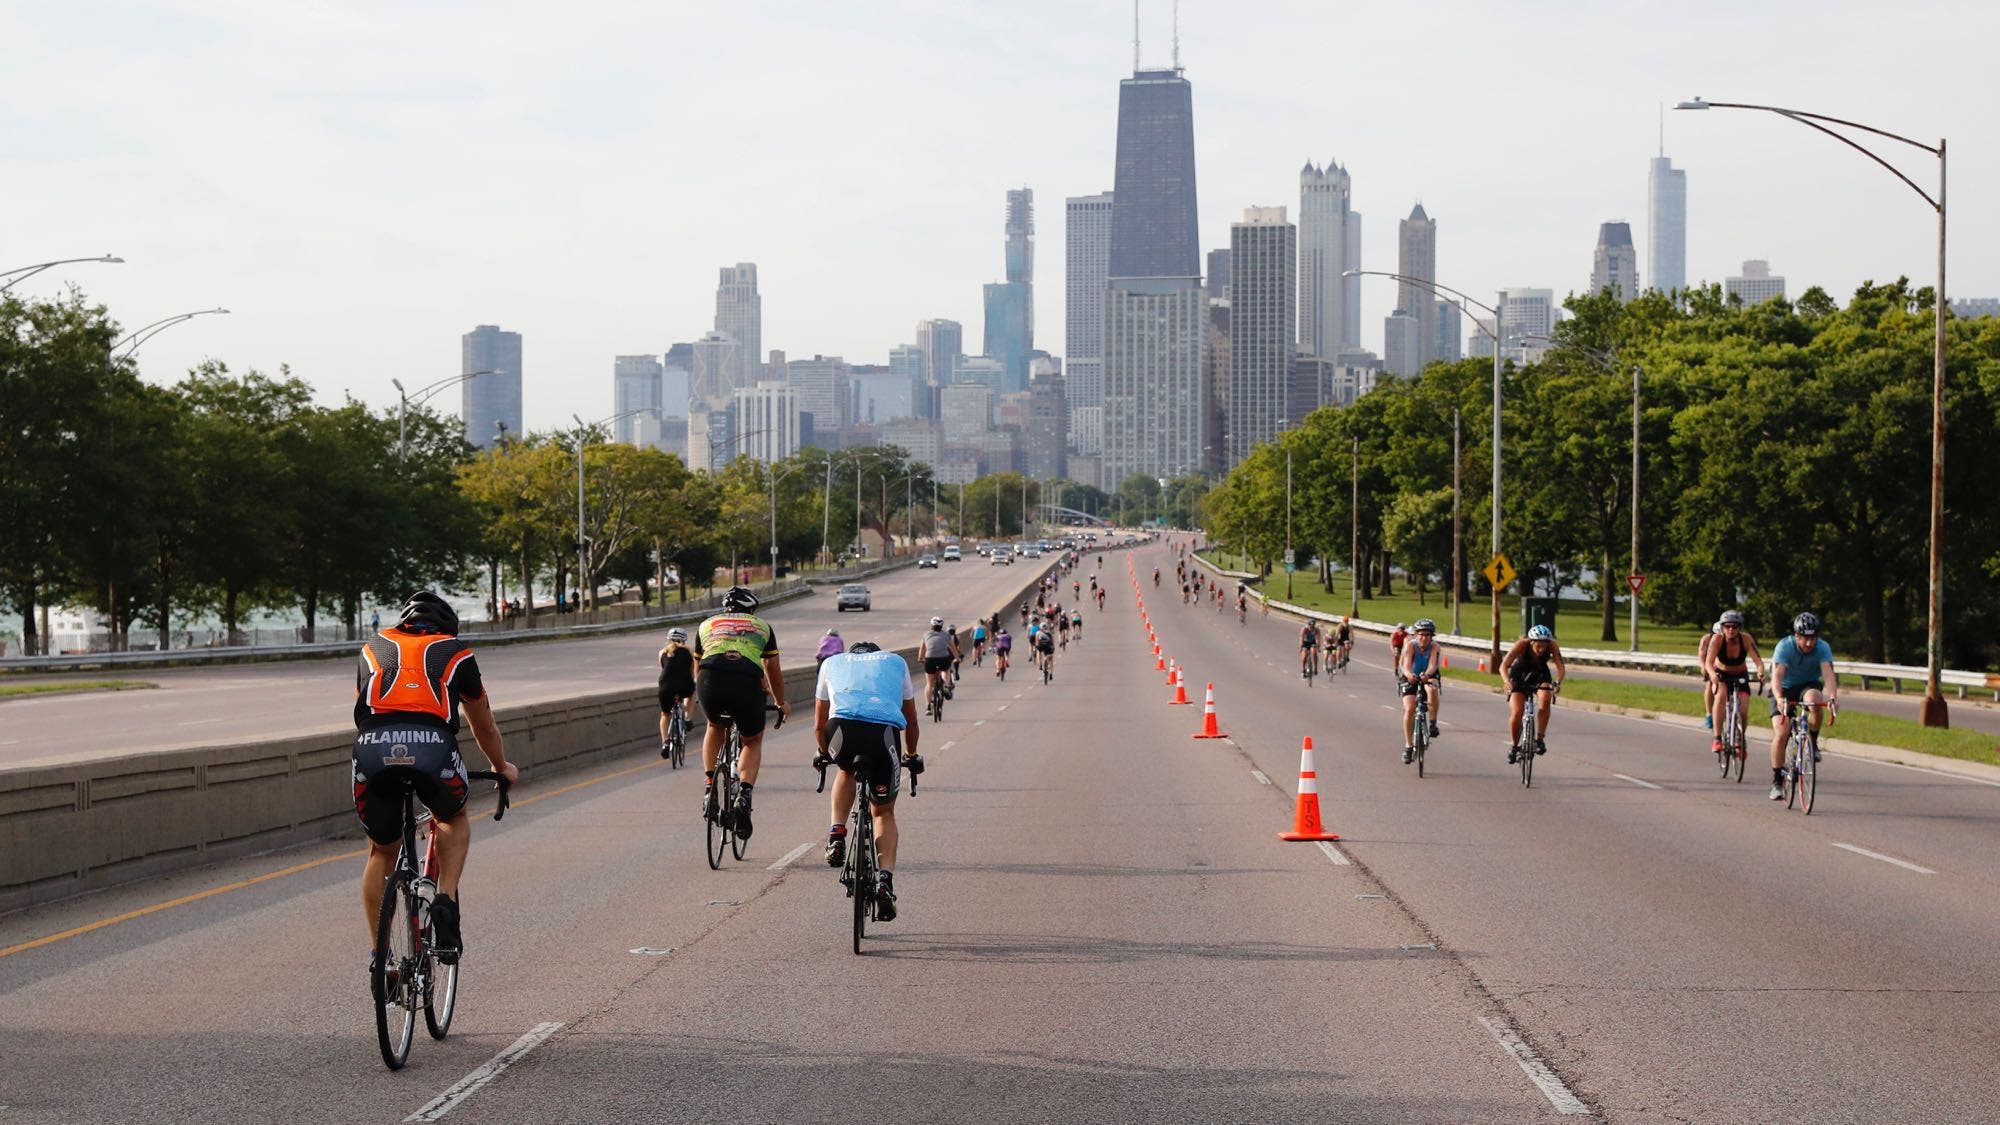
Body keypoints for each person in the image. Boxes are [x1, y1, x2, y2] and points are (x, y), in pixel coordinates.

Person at [352, 592, 518, 970]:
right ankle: (443, 899)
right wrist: (501, 767)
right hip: (433, 747)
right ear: (447, 627)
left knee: (381, 850)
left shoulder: (372, 648)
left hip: (373, 746)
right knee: (452, 816)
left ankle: (383, 959)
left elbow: (364, 712)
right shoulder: (456, 651)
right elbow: (483, 724)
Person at [814, 640, 924, 922]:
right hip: (882, 734)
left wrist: (824, 754)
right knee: (883, 811)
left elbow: (818, 724)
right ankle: (884, 881)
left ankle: (837, 834)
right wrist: (911, 754)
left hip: (841, 730)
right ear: (877, 656)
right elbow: (910, 719)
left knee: (846, 771)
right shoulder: (895, 662)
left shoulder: (831, 662)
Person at [694, 585, 789, 839]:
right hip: (745, 681)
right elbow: (773, 670)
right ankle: (744, 796)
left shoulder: (706, 625)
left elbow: (698, 667)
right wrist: (781, 702)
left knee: (714, 726)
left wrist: (702, 698)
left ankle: (708, 787)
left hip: (709, 679)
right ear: (751, 609)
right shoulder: (762, 627)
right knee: (752, 739)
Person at [1767, 612, 1837, 801]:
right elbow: (1777, 676)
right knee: (1781, 733)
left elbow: (1828, 674)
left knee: (1815, 699)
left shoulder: (1822, 648)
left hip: (1807, 685)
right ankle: (1776, 782)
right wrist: (1780, 698)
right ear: (1796, 636)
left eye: (1812, 638)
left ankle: (1812, 742)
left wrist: (1832, 697)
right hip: (1783, 688)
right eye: (1804, 638)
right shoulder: (1784, 647)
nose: (1808, 643)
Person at [1500, 625, 1566, 764]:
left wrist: (1557, 682)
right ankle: (1514, 746)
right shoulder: (1522, 645)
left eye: (1544, 646)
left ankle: (1540, 739)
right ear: (1531, 642)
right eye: (1538, 646)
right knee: (1517, 711)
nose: (1542, 650)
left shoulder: (1552, 645)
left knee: (1546, 697)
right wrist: (1507, 681)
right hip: (1519, 675)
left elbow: (1561, 667)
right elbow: (1504, 666)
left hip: (1540, 673)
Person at [1704, 610, 1766, 756]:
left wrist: (1761, 673)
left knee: (1743, 710)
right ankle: (1717, 738)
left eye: (1735, 627)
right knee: (1721, 696)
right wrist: (1712, 675)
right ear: (1722, 627)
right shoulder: (1717, 640)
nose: (1731, 630)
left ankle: (1740, 737)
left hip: (1740, 674)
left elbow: (1758, 661)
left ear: (1740, 628)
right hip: (1722, 674)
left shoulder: (1746, 639)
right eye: (1727, 626)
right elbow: (1708, 662)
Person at [1397, 619, 1445, 764]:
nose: (1423, 637)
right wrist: (1409, 675)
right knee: (1410, 708)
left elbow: (1433, 664)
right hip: (1410, 675)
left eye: (1427, 634)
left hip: (1428, 674)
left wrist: (1427, 675)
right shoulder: (1410, 646)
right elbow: (1406, 665)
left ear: (1431, 636)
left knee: (1431, 689)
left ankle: (1432, 722)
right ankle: (1408, 746)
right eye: (1420, 634)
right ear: (1415, 635)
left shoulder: (1435, 647)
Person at [658, 627, 697, 757]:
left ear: (668, 640)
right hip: (684, 684)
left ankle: (665, 743)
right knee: (691, 695)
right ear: (684, 640)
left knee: (665, 715)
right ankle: (687, 718)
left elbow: (664, 670)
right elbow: (692, 673)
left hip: (666, 687)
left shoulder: (662, 652)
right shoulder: (690, 651)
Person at [918, 617, 954, 707]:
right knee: (946, 671)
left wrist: (920, 658)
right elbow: (953, 648)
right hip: (943, 659)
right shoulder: (946, 635)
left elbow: (922, 649)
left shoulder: (926, 635)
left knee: (929, 684)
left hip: (930, 659)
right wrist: (957, 658)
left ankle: (928, 706)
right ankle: (946, 685)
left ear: (932, 625)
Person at [1698, 623, 1722, 729]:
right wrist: (1703, 667)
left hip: (1725, 665)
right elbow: (1702, 653)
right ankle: (1709, 714)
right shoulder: (1707, 639)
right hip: (1711, 664)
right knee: (1709, 685)